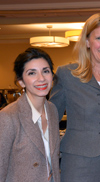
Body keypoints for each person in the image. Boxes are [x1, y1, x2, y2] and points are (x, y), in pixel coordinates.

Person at [49, 13, 100, 182]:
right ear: (87, 41)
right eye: (99, 38)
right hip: (77, 164)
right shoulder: (66, 75)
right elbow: (50, 121)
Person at [0, 47, 60, 182]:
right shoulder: (8, 117)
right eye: (32, 73)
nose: (41, 78)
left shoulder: (52, 110)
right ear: (21, 81)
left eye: (46, 71)